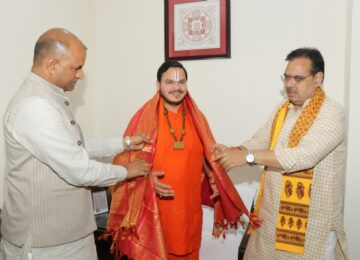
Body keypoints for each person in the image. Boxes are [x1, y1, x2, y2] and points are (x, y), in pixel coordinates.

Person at [0, 28, 150, 260]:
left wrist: (125, 143)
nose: (81, 74)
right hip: (46, 245)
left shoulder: (50, 97)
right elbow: (78, 169)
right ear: (51, 65)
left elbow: (75, 146)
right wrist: (127, 171)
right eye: (77, 67)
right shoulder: (35, 106)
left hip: (71, 236)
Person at [105, 60, 257, 260]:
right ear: (158, 85)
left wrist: (215, 167)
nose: (176, 88)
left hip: (188, 211)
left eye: (182, 82)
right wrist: (148, 179)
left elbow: (206, 157)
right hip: (155, 211)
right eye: (169, 82)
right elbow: (124, 162)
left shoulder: (197, 117)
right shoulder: (144, 119)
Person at [213, 48, 348, 260]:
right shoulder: (283, 109)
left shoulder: (332, 113)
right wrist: (234, 151)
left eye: (298, 78)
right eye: (286, 77)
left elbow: (302, 157)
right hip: (271, 220)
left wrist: (248, 157)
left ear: (318, 78)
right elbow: (260, 140)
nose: (289, 84)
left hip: (311, 227)